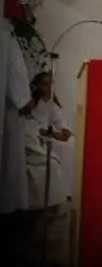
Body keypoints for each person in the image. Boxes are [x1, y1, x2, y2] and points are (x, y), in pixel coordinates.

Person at [25, 72, 72, 211]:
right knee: (57, 146)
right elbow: (32, 124)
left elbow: (59, 120)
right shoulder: (32, 103)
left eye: (50, 83)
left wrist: (64, 130)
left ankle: (67, 189)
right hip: (39, 135)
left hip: (50, 134)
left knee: (71, 144)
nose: (49, 86)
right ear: (38, 86)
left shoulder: (52, 103)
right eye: (45, 83)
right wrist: (53, 134)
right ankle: (53, 197)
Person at [0, 20, 32, 215]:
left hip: (9, 106)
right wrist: (24, 102)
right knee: (9, 166)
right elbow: (16, 74)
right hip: (10, 112)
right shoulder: (6, 34)